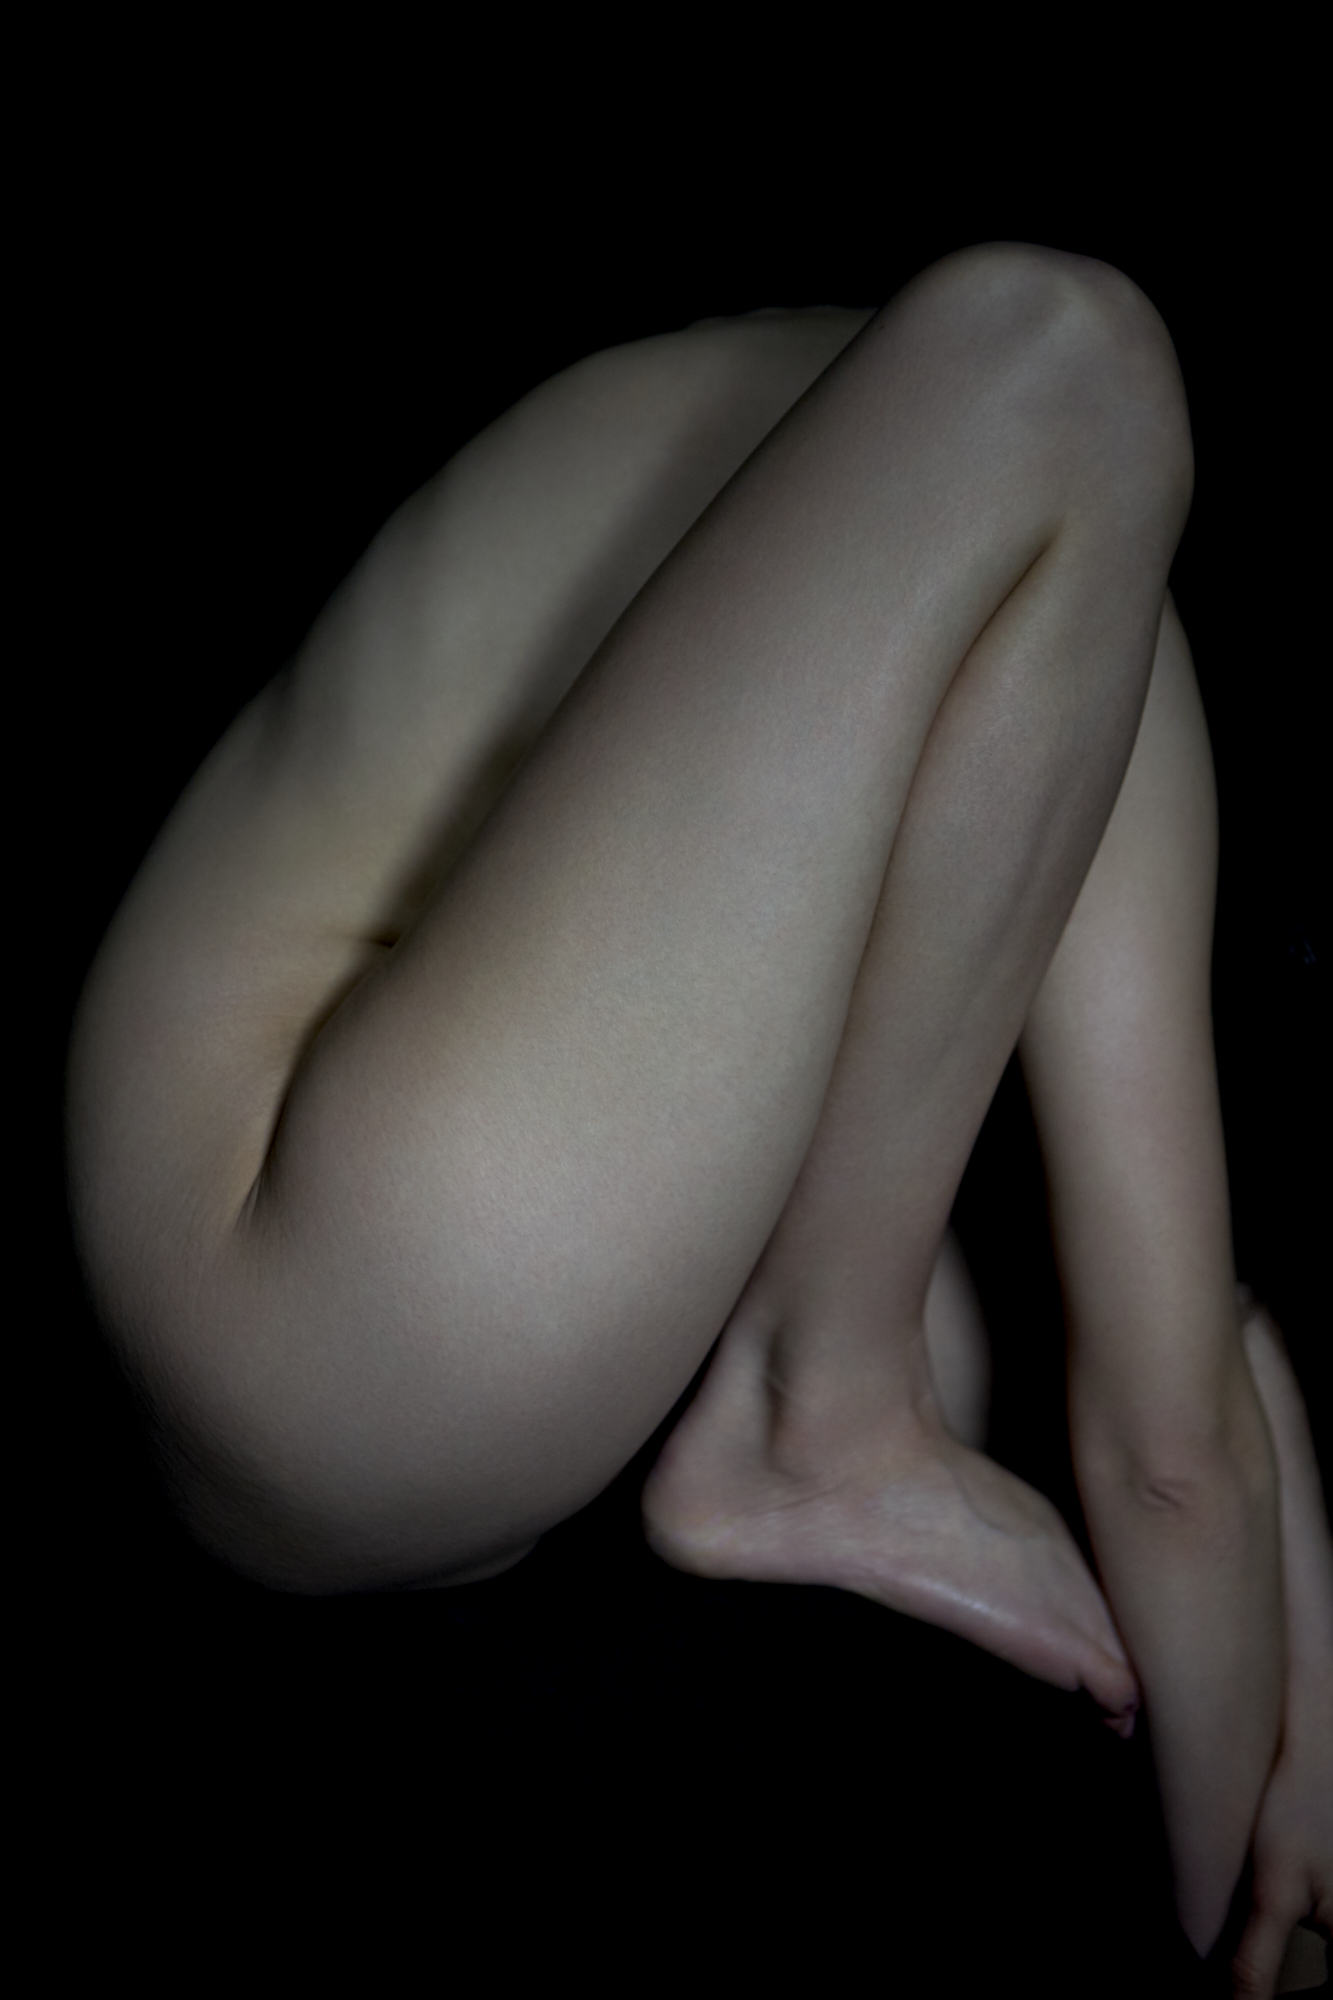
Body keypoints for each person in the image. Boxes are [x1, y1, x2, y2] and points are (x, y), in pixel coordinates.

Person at [63, 243, 1329, 1992]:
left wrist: (1294, 1736)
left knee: (1010, 1312)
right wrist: (1263, 1931)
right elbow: (1174, 1443)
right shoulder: (1058, 498)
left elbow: (1211, 1392)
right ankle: (825, 1412)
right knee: (1071, 349)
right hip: (320, 1251)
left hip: (367, 1302)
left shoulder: (862, 493)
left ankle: (833, 1395)